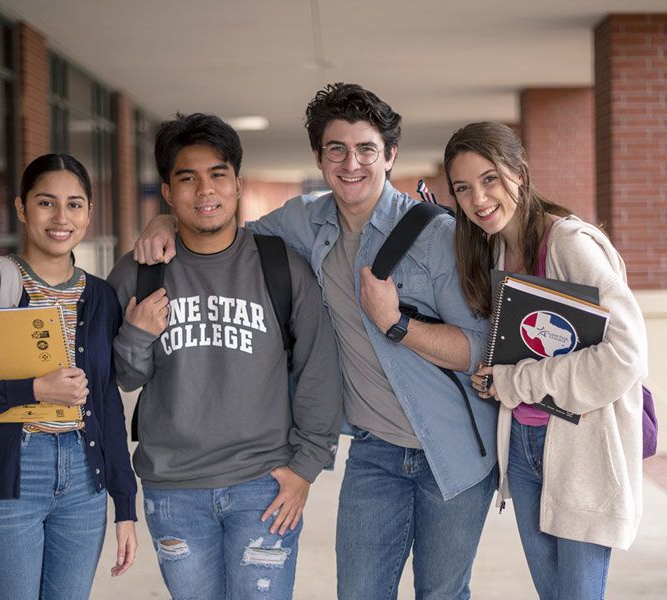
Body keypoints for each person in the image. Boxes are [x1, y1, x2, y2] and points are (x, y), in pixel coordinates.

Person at [134, 85, 497, 599]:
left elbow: (483, 349)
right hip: (374, 452)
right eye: (337, 149)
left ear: (389, 155)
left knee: (441, 593)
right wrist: (164, 218)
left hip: (454, 451)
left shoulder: (437, 235)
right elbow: (216, 226)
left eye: (367, 149)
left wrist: (397, 324)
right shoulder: (301, 221)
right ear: (320, 158)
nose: (352, 163)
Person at [108, 113, 342, 600]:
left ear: (237, 183)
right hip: (174, 488)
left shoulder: (281, 265)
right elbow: (123, 378)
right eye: (187, 178)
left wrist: (306, 468)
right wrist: (134, 334)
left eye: (217, 174)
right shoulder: (141, 270)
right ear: (168, 194)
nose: (205, 190)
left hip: (264, 485)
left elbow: (319, 368)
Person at [444, 121, 647, 599]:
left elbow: (626, 352)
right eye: (463, 188)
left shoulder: (568, 242)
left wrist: (515, 382)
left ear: (520, 171)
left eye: (490, 178)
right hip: (525, 448)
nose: (479, 199)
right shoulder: (495, 250)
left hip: (580, 448)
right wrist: (496, 380)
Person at [0, 154, 138, 600]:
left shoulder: (100, 297)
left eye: (75, 204)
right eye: (46, 203)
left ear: (89, 212)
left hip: (84, 480)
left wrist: (125, 504)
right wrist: (33, 389)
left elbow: (106, 405)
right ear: (22, 208)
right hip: (9, 475)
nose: (61, 218)